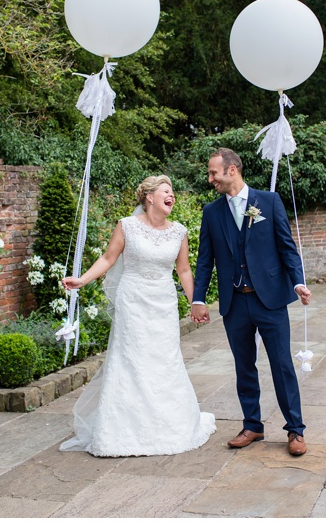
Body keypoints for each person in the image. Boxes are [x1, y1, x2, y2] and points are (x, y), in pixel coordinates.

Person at [60, 175, 216, 457]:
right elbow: (108, 259)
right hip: (133, 301)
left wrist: (196, 303)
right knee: (130, 360)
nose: (172, 196)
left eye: (173, 192)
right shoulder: (127, 226)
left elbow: (183, 271)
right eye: (166, 191)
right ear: (149, 197)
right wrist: (82, 280)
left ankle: (170, 425)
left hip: (163, 303)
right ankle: (122, 430)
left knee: (165, 360)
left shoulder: (179, 231)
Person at [192, 147, 311, 457]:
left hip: (269, 300)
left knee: (282, 365)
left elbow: (287, 247)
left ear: (232, 170)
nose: (210, 178)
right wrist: (198, 299)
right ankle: (252, 425)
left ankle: (295, 430)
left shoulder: (268, 202)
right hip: (235, 303)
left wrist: (298, 282)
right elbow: (205, 261)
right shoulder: (211, 213)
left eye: (213, 172)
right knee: (244, 366)